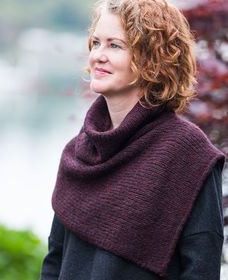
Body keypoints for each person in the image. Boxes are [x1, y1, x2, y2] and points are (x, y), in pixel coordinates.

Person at [40, 0, 226, 279]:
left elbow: (200, 270)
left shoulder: (188, 153)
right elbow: (55, 262)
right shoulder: (79, 152)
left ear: (153, 59)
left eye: (115, 45)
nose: (98, 55)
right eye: (96, 43)